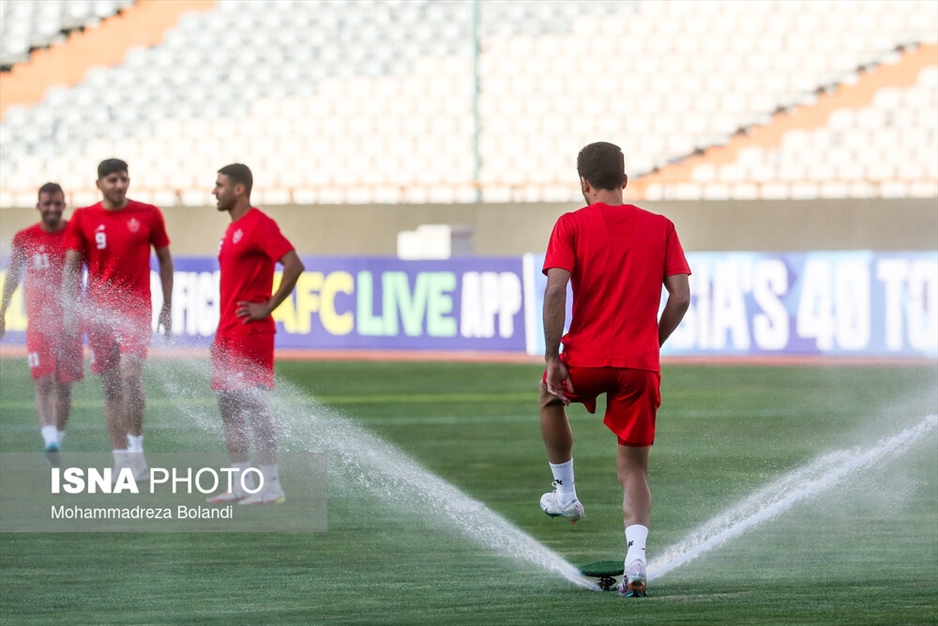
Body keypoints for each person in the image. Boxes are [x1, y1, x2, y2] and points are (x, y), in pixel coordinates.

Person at [538, 142, 691, 597]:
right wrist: (650, 343)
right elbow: (681, 297)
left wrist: (552, 356)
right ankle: (636, 558)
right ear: (624, 180)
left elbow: (555, 291)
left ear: (583, 183)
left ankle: (565, 494)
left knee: (549, 396)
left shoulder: (570, 224)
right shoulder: (661, 226)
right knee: (634, 468)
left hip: (585, 357)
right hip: (639, 364)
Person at [62, 159, 174, 480]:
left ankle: (137, 454)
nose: (120, 185)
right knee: (111, 388)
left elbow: (165, 260)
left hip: (136, 310)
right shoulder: (83, 218)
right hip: (98, 313)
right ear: (99, 184)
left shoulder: (149, 214)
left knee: (129, 375)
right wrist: (70, 310)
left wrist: (167, 305)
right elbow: (71, 267)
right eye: (112, 180)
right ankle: (120, 460)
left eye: (124, 179)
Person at [206, 163, 304, 506]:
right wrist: (219, 335)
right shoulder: (232, 229)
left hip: (251, 331)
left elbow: (294, 265)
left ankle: (272, 485)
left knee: (254, 406)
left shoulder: (260, 224)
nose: (214, 191)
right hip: (228, 331)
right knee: (228, 405)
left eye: (219, 185)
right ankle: (241, 483)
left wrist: (268, 306)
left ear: (239, 189)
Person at [0, 183, 84, 465]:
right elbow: (13, 275)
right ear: (38, 205)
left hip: (70, 324)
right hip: (38, 323)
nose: (52, 208)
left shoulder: (76, 234)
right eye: (47, 203)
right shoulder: (25, 237)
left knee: (65, 388)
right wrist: (2, 310)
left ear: (64, 204)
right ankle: (49, 440)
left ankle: (56, 439)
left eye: (57, 203)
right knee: (44, 381)